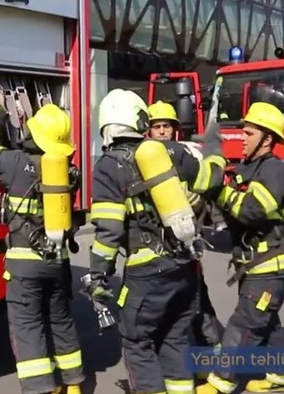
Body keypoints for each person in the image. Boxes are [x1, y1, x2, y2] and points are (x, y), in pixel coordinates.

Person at [88, 89, 227, 394]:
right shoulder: (172, 152)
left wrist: (98, 274)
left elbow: (109, 230)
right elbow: (211, 181)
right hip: (185, 263)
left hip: (146, 269)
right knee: (174, 337)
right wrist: (215, 151)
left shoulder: (109, 166)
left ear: (108, 125)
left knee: (137, 342)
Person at [0, 102, 85, 394]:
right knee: (61, 321)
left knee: (28, 327)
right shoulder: (70, 171)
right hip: (58, 262)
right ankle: (73, 385)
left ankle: (40, 389)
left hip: (25, 265)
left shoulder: (13, 163)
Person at [197, 102, 284, 394]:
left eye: (249, 133)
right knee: (266, 323)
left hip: (270, 268)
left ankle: (221, 382)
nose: (242, 138)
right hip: (257, 266)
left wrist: (220, 190)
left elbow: (251, 211)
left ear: (267, 138)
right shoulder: (252, 169)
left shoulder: (274, 171)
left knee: (244, 324)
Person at [147, 101, 226, 357]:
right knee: (162, 306)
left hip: (185, 240)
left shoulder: (188, 155)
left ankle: (211, 351)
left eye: (166, 126)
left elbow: (204, 189)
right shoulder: (141, 156)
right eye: (157, 126)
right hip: (155, 245)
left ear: (175, 129)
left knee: (196, 300)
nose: (161, 131)